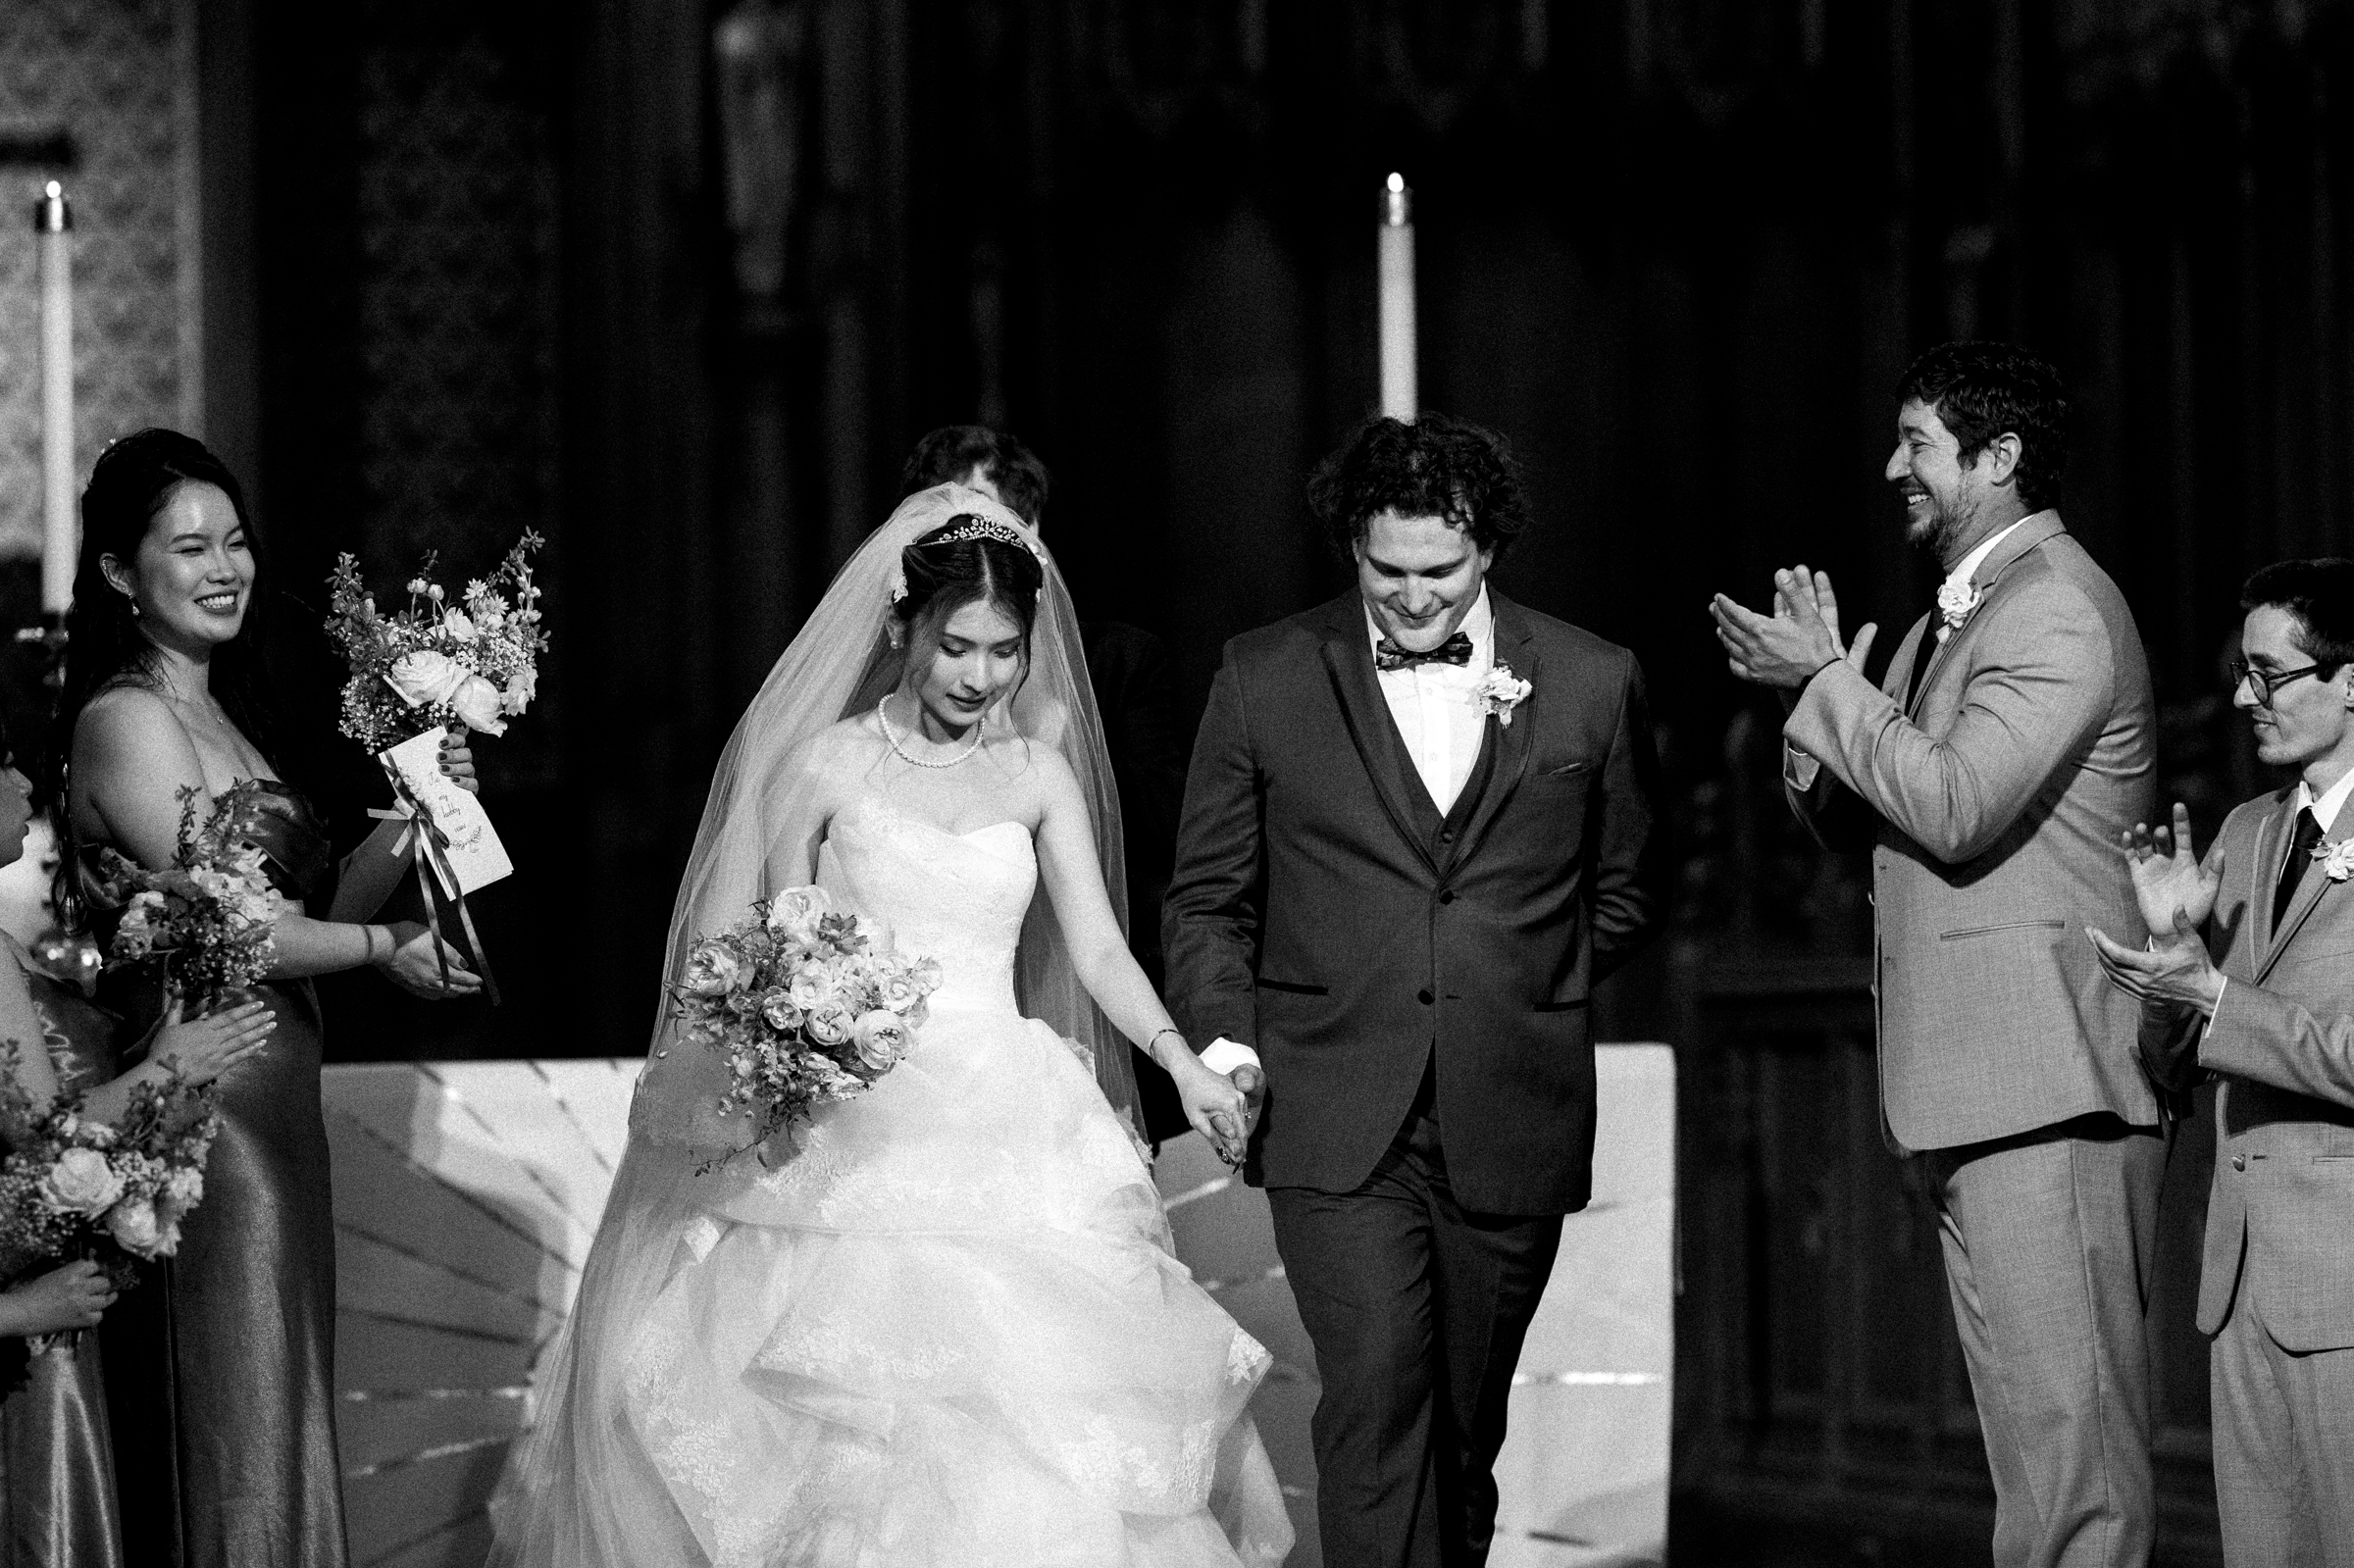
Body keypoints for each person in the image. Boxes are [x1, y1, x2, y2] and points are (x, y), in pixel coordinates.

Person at [487, 484, 1292, 1567]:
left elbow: (1100, 951)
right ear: (902, 626)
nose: (982, 676)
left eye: (1006, 651)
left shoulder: (1035, 774)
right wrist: (781, 1064)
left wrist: (1180, 1061)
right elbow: (769, 951)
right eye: (958, 645)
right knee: (846, 1435)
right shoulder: (824, 763)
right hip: (852, 1118)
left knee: (1035, 1418)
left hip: (1008, 1110)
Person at [1163, 413, 1670, 1568]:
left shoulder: (1593, 680)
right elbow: (1206, 898)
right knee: (1379, 1386)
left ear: (1487, 549)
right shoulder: (1266, 674)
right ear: (1352, 546)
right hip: (1332, 1109)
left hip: (1511, 1107)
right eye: (1386, 571)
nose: (1412, 598)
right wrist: (1231, 1044)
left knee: (1461, 1425)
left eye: (1438, 572)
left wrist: (1522, 986)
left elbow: (1629, 886)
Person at [1712, 341, 2164, 1568]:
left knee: (2075, 1467)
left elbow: (1959, 803)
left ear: (1999, 458)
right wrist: (1818, 712)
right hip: (1981, 1087)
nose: (1893, 466)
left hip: (2048, 1086)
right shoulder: (1944, 620)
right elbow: (1884, 807)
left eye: (1918, 442)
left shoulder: (2059, 604)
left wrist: (1825, 685)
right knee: (2031, 1456)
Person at [50, 429, 481, 1568]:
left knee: (283, 1398)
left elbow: (315, 897)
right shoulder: (124, 721)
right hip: (207, 1105)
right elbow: (244, 932)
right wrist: (386, 943)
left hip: (281, 1088)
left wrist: (414, 808)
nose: (224, 566)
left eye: (234, 540)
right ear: (117, 574)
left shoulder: (230, 713)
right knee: (237, 1413)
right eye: (190, 546)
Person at [2092, 559, 2354, 1567]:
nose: (2245, 697)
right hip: (2242, 1284)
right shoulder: (2246, 832)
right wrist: (2169, 973)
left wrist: (2218, 997)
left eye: (2269, 673)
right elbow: (2175, 1068)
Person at [0, 733, 276, 1568]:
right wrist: (173, 1065)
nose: (21, 777)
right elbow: (50, 1134)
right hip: (27, 1328)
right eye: (1, 759)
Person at [899, 426, 1196, 1141]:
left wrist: (1062, 745)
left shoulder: (1113, 668)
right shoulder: (852, 725)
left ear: (1029, 533)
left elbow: (1164, 840)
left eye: (980, 518)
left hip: (1052, 1012)